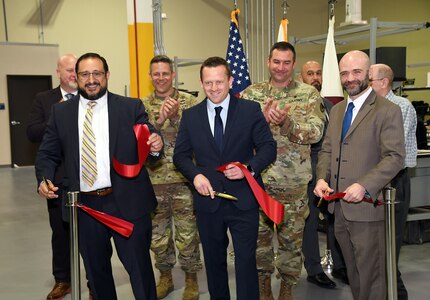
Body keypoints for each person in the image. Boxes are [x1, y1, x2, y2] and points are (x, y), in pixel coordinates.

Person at [35, 52, 163, 300]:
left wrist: (156, 147)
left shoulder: (130, 107)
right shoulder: (61, 113)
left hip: (127, 202)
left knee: (140, 270)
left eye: (97, 73)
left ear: (107, 76)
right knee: (97, 274)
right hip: (85, 208)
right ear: (76, 77)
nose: (91, 79)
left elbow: (149, 140)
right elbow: (47, 153)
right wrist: (44, 178)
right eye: (84, 74)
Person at [173, 56, 276, 300]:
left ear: (230, 81)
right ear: (201, 83)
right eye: (208, 83)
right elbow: (180, 156)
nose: (214, 88)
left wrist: (248, 169)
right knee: (214, 261)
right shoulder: (191, 116)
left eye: (219, 82)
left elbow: (268, 148)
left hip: (244, 199)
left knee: (245, 261)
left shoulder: (250, 110)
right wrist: (195, 175)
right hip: (208, 201)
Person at [314, 50, 405, 300]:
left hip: (367, 209)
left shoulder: (387, 111)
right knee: (354, 275)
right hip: (339, 210)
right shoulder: (337, 111)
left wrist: (364, 186)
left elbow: (394, 157)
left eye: (356, 72)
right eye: (344, 73)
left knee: (372, 278)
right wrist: (322, 177)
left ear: (369, 74)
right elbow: (328, 149)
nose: (350, 78)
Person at [241, 42, 325, 299]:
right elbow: (236, 135)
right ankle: (263, 285)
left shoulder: (309, 94)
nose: (280, 67)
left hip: (293, 183)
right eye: (276, 61)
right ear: (268, 62)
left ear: (293, 64)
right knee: (260, 241)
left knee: (291, 242)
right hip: (258, 183)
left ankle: (287, 287)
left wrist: (287, 123)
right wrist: (259, 123)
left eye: (286, 62)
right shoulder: (251, 94)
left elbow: (316, 132)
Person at [142, 55, 202, 300]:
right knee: (158, 237)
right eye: (156, 74)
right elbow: (139, 140)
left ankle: (191, 280)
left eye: (165, 73)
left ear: (173, 75)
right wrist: (160, 119)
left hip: (184, 181)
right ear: (150, 76)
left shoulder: (190, 102)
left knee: (188, 234)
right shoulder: (141, 105)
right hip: (153, 182)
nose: (160, 78)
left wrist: (176, 116)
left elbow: (199, 138)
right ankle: (165, 277)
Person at [27, 54, 78, 300]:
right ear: (58, 72)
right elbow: (32, 132)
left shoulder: (89, 99)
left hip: (86, 177)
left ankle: (93, 282)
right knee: (60, 233)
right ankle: (63, 280)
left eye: (76, 70)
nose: (74, 75)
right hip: (56, 179)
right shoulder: (45, 99)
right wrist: (57, 115)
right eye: (68, 70)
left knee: (91, 234)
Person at [369, 63, 417, 300]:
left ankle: (396, 294)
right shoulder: (371, 107)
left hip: (395, 180)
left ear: (384, 82)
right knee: (377, 243)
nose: (368, 85)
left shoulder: (401, 106)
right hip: (375, 179)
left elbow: (392, 146)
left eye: (371, 80)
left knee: (391, 242)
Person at [299, 61, 348, 289]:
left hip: (331, 171)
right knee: (310, 221)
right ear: (301, 77)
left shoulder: (331, 106)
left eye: (318, 73)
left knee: (333, 218)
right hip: (306, 171)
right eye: (310, 73)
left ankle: (338, 265)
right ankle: (314, 268)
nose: (315, 77)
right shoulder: (297, 105)